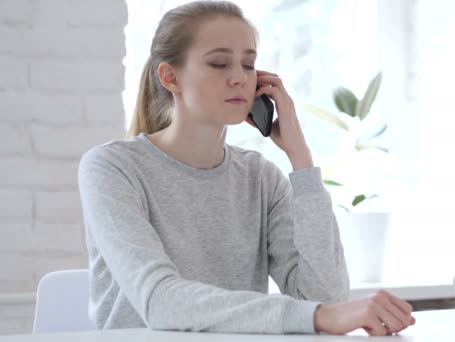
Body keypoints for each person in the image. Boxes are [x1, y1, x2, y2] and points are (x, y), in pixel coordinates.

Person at [78, 0, 415, 336]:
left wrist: (301, 160)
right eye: (219, 63)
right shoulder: (111, 168)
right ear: (170, 77)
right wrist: (317, 316)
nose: (239, 78)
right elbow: (160, 302)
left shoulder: (261, 177)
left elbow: (324, 299)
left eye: (248, 64)